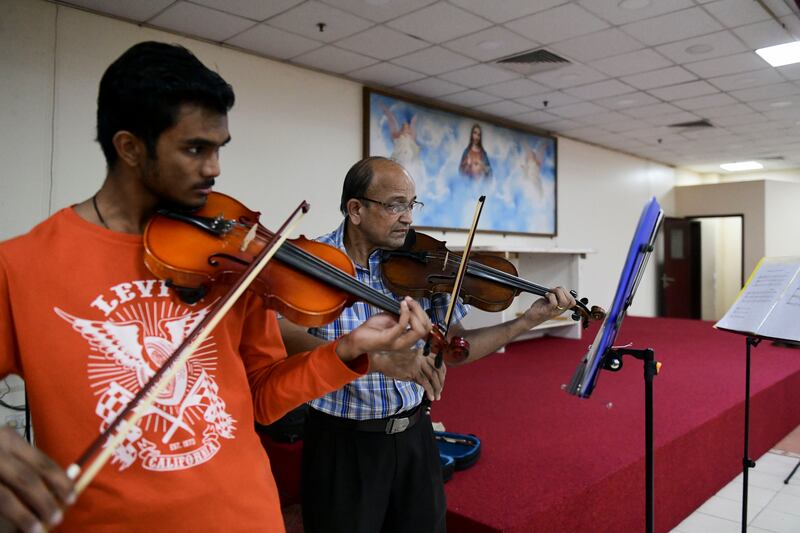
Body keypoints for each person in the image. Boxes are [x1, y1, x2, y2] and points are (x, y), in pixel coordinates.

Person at [0, 42, 435, 532]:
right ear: (129, 147)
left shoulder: (233, 261)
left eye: (218, 148)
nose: (215, 168)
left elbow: (265, 396)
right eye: (194, 149)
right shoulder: (22, 265)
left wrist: (349, 349)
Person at [281, 156, 575, 532]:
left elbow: (456, 349)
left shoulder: (420, 266)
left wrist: (525, 321)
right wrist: (372, 357)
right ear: (356, 209)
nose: (408, 217)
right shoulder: (313, 261)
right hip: (343, 444)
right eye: (395, 205)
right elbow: (283, 334)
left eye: (411, 204)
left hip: (415, 436)